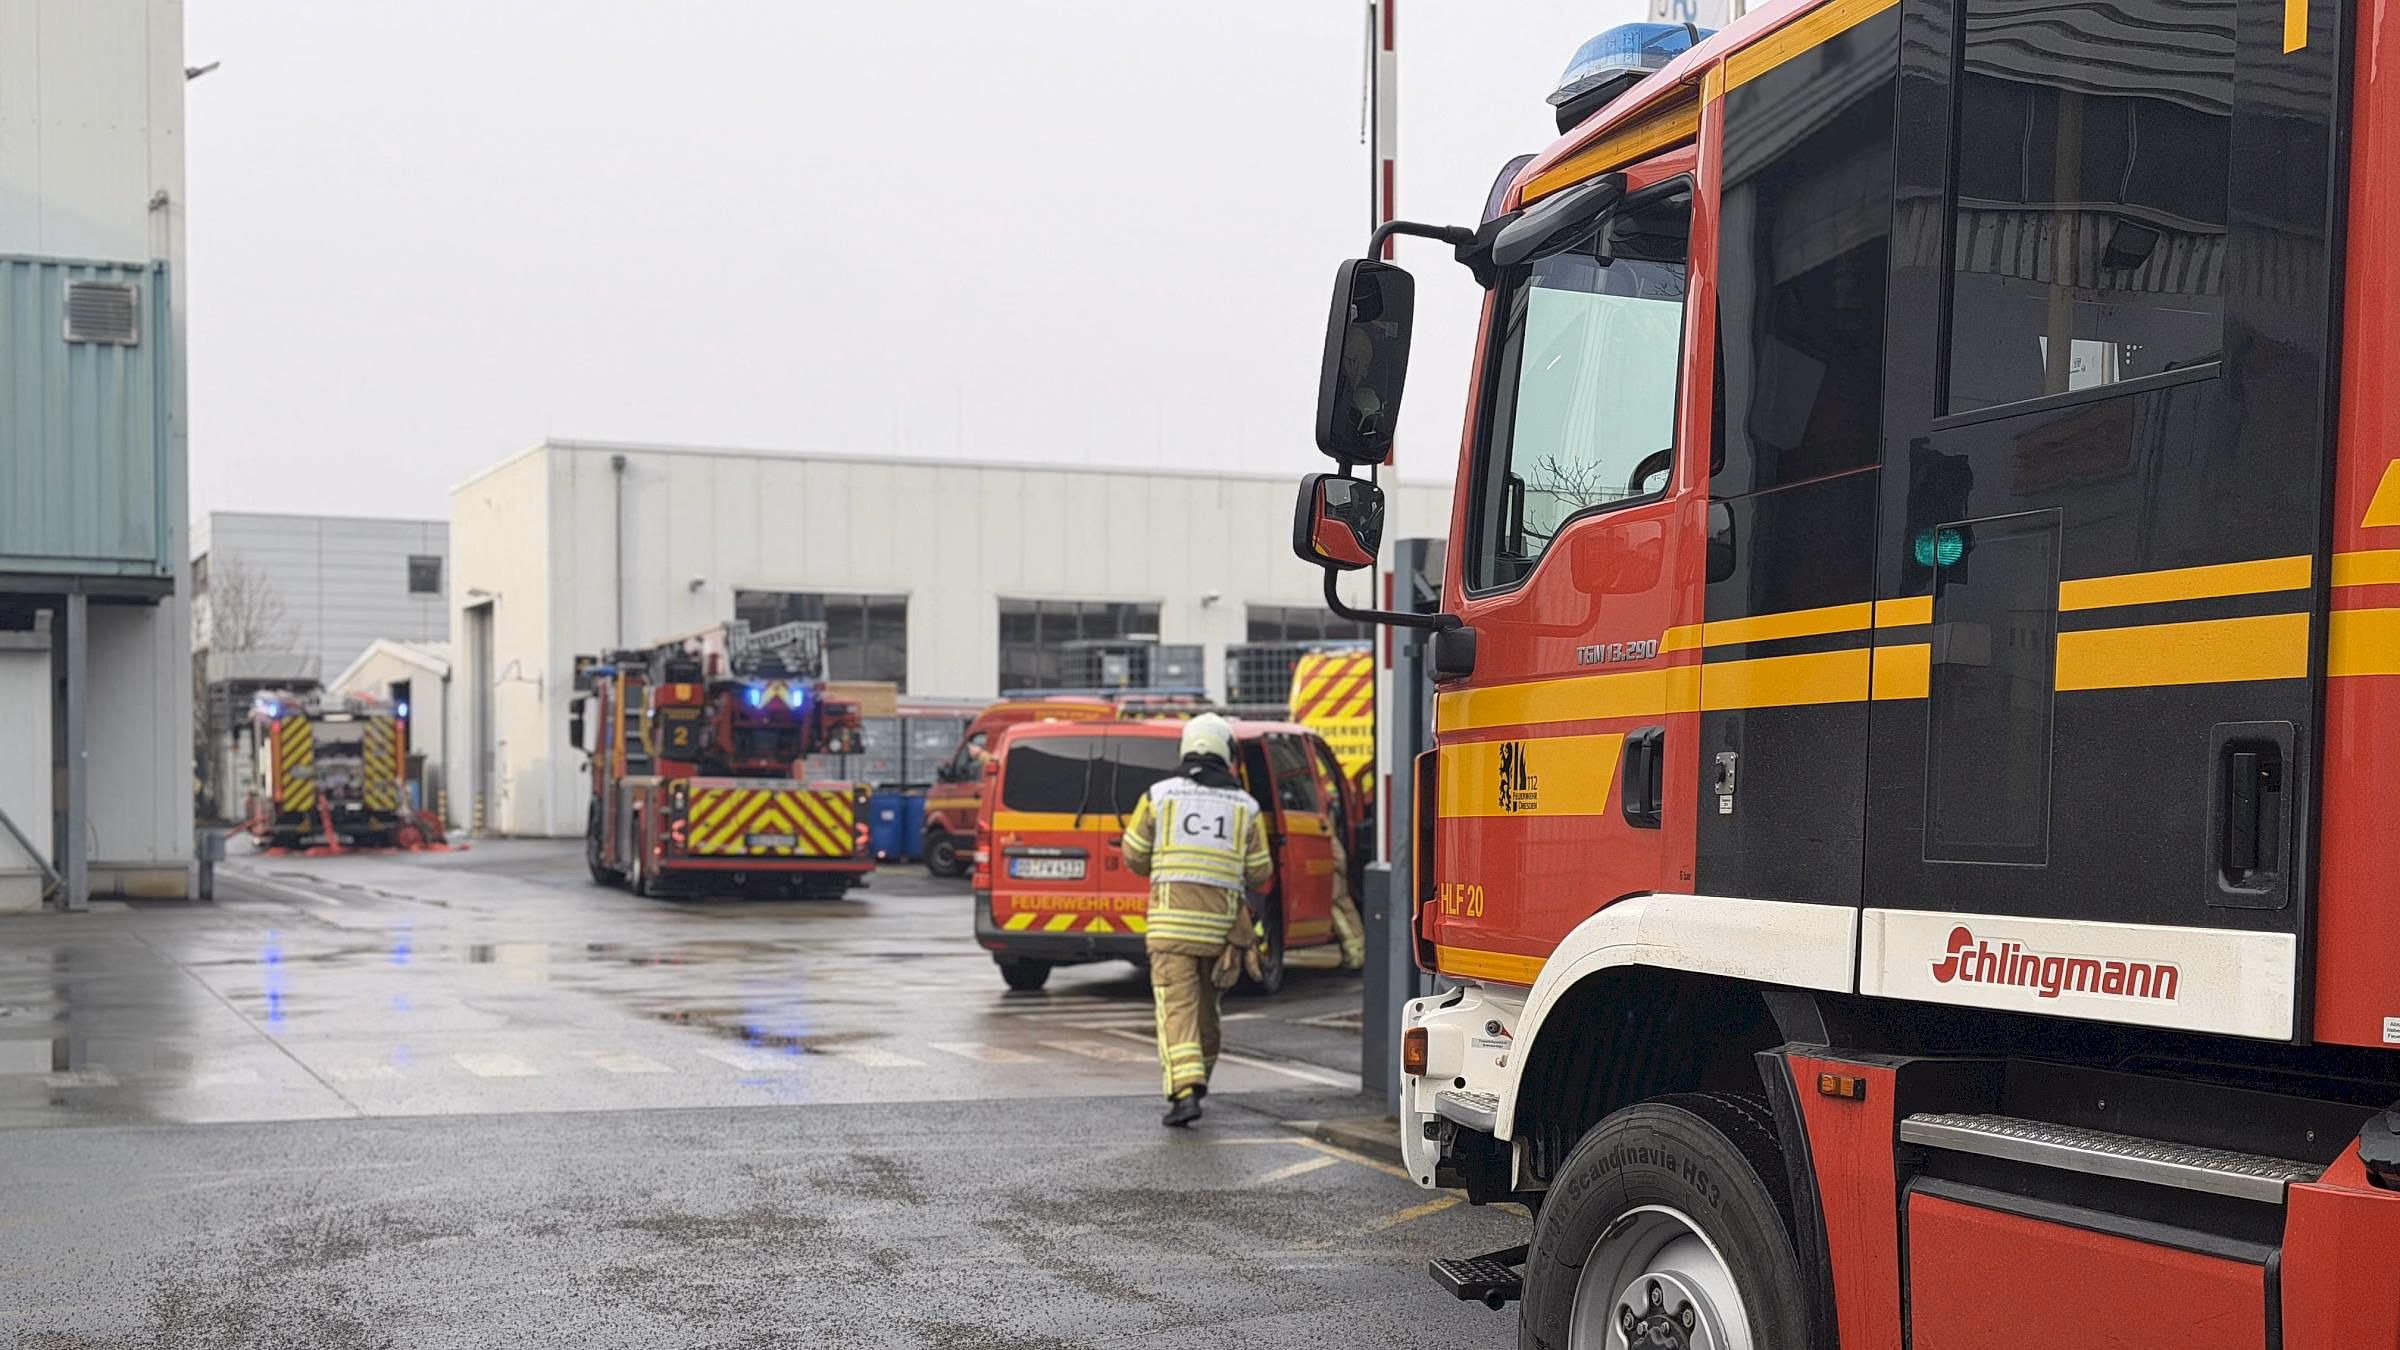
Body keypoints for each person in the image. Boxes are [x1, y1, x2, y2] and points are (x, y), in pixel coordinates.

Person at [1120, 713, 1272, 1127]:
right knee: (1207, 1011)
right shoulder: (1246, 807)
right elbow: (1260, 872)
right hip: (1220, 932)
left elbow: (1133, 856)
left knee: (1177, 1009)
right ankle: (1200, 1074)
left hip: (1171, 929)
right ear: (1226, 752)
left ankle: (1185, 1090)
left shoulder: (1158, 796)